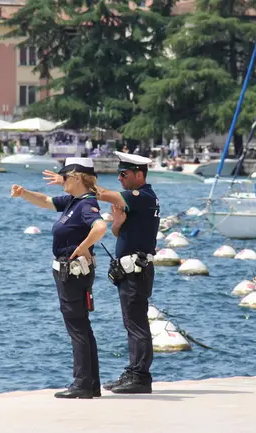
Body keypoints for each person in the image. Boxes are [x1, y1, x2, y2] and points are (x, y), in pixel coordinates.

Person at [46, 152, 160, 394]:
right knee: (131, 322)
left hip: (136, 270)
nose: (119, 178)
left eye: (124, 174)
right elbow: (121, 235)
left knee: (136, 324)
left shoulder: (142, 196)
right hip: (130, 270)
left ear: (139, 175)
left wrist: (79, 180)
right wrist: (117, 224)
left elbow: (102, 195)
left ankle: (140, 376)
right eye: (118, 174)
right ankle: (133, 372)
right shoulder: (137, 201)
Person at [13, 158, 107, 399]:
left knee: (77, 328)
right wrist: (24, 193)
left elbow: (100, 227)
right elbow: (45, 201)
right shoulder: (74, 201)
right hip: (71, 273)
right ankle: (91, 384)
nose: (61, 181)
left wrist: (82, 248)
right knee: (82, 327)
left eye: (65, 177)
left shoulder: (85, 205)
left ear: (76, 178)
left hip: (73, 273)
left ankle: (82, 385)